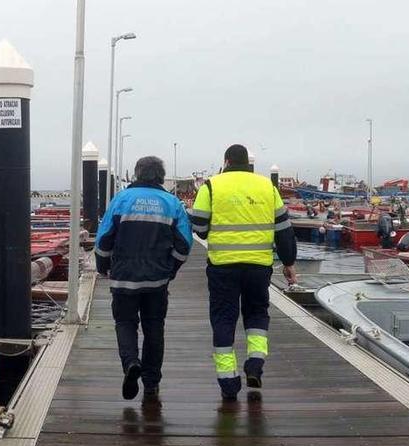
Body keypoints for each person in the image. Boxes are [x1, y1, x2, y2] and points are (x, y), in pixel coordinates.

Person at [190, 144, 298, 400]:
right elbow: (284, 230)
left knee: (223, 319)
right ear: (248, 163)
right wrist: (289, 263)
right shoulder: (267, 187)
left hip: (222, 266)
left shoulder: (211, 186)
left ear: (226, 161)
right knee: (257, 314)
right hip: (259, 267)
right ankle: (255, 365)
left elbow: (199, 226)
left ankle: (228, 382)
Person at [95, 156, 192, 401]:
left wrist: (103, 266)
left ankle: (130, 363)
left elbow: (103, 240)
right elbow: (185, 244)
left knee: (125, 323)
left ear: (137, 174)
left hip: (123, 278)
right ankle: (151, 383)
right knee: (154, 328)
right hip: (157, 280)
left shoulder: (121, 200)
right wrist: (171, 269)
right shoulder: (173, 203)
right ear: (160, 176)